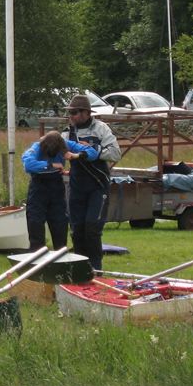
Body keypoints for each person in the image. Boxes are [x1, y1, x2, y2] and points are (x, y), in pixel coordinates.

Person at [65, 94, 121, 270]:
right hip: (76, 187)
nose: (71, 116)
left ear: (86, 113)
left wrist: (93, 150)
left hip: (98, 186)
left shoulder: (101, 129)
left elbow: (115, 154)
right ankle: (80, 270)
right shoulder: (66, 133)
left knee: (92, 227)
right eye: (70, 112)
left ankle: (96, 269)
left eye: (75, 112)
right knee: (77, 229)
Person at [21, 130, 97, 251]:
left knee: (60, 221)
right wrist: (50, 165)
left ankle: (61, 252)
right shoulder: (37, 146)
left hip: (56, 185)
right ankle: (36, 253)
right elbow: (28, 164)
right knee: (35, 221)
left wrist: (76, 155)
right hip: (38, 186)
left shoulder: (66, 144)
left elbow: (93, 152)